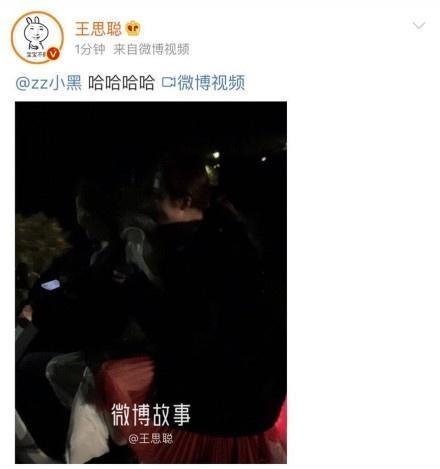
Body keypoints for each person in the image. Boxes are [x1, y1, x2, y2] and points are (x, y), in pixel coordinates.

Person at [97, 155, 286, 463]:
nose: (152, 203)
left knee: (113, 380)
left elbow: (180, 330)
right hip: (257, 399)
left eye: (158, 194)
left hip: (223, 404)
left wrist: (133, 287)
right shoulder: (233, 238)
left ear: (184, 201)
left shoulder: (192, 252)